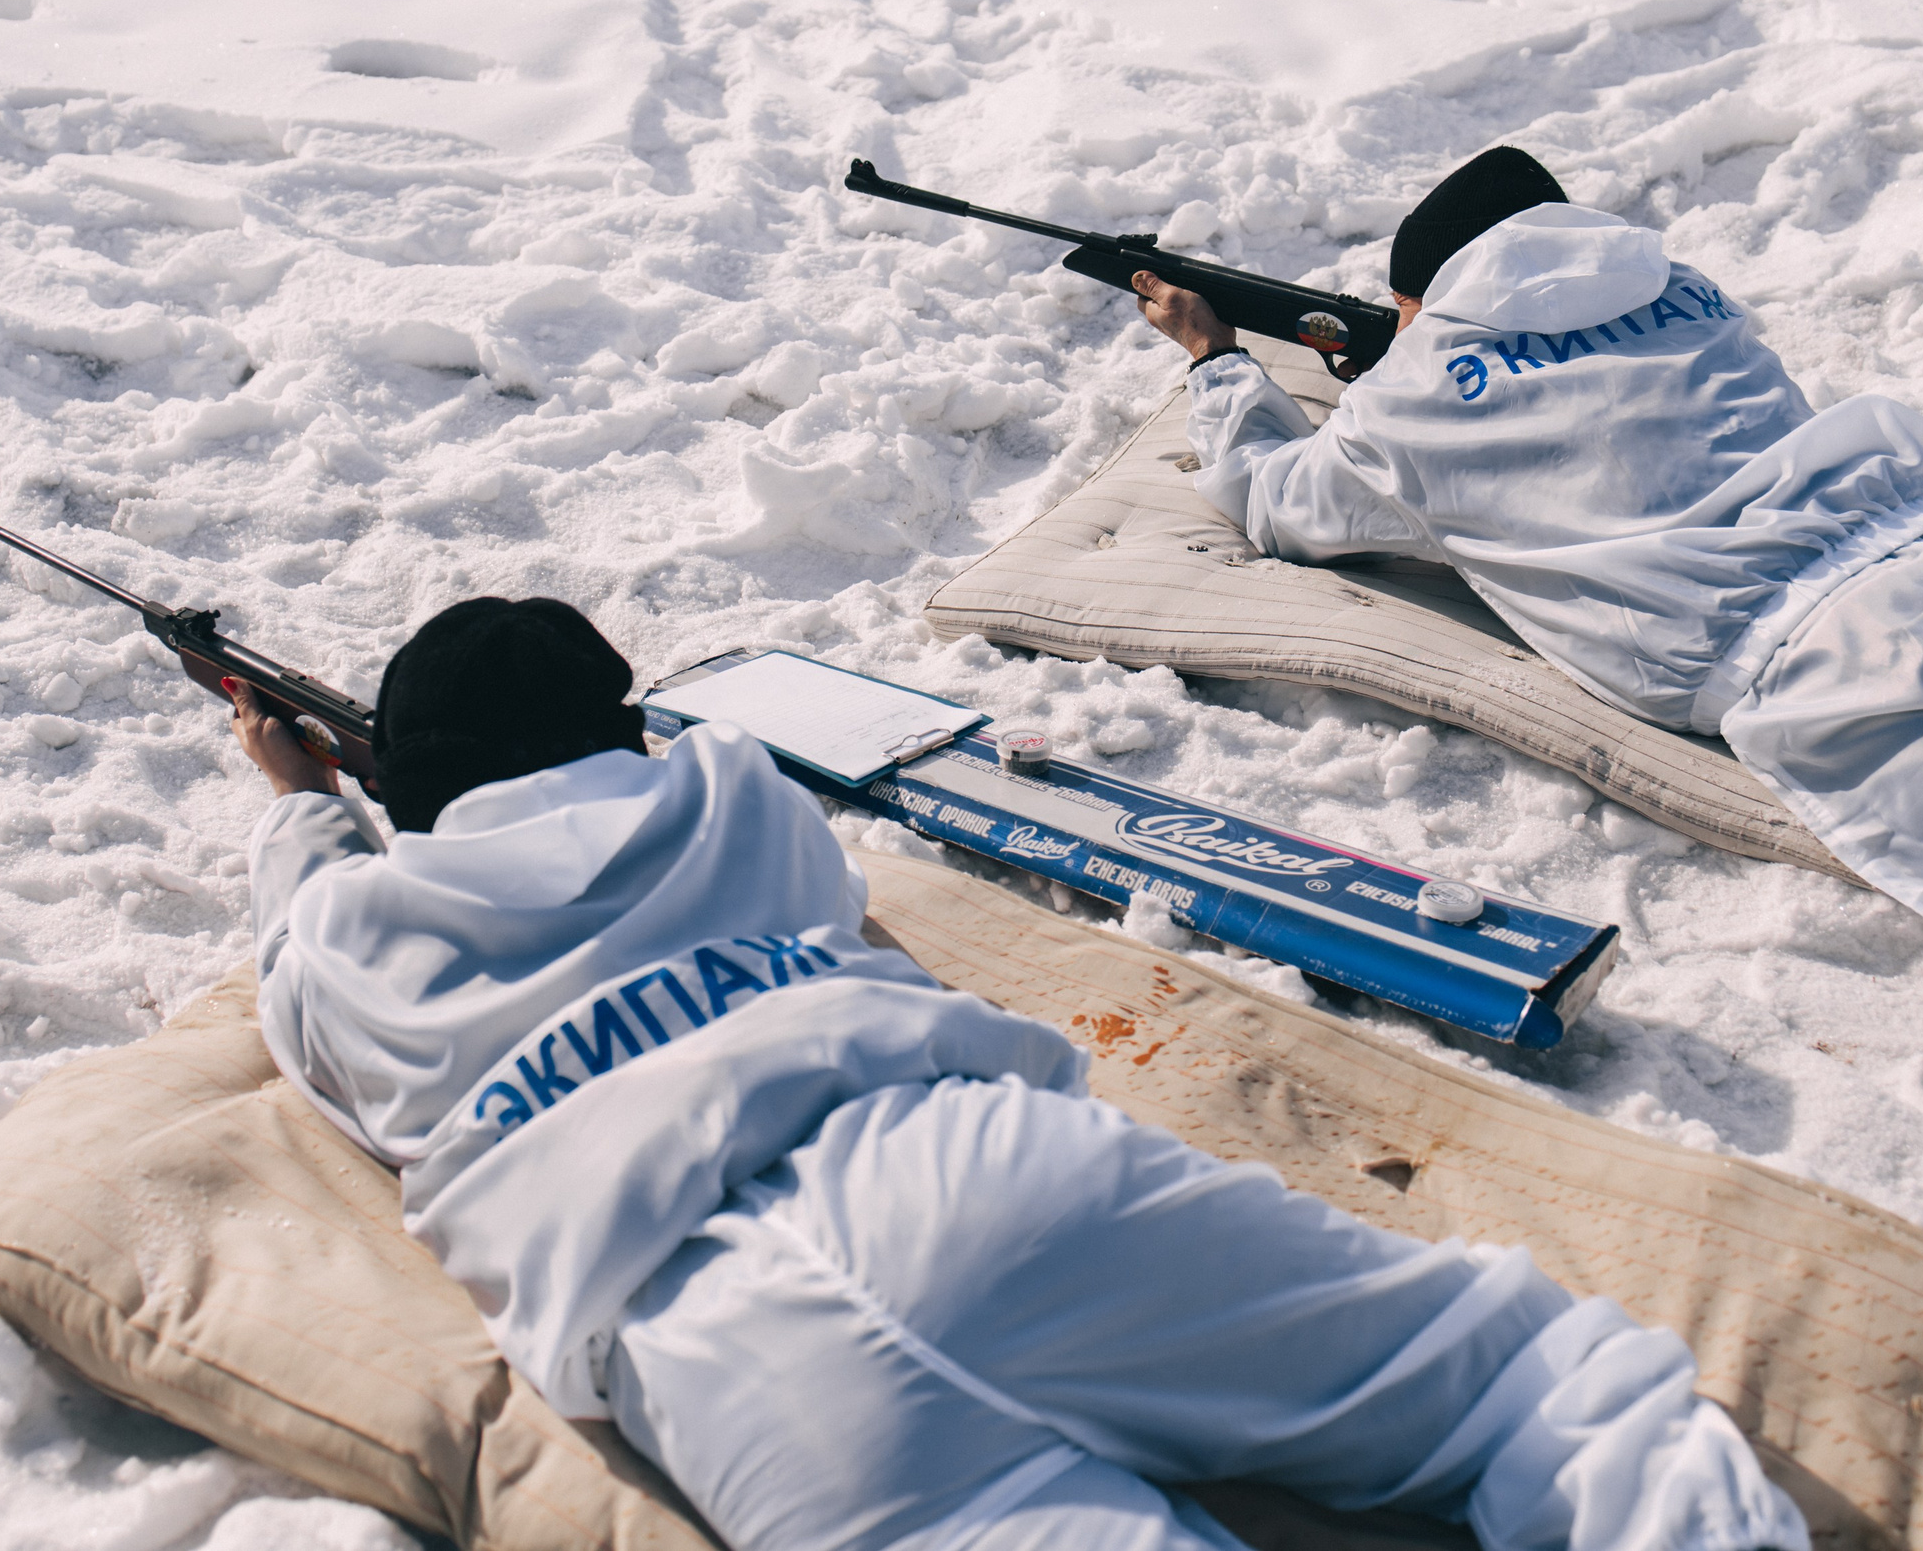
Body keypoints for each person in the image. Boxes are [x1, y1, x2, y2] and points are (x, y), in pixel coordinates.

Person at [228, 598, 1808, 1551]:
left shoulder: (351, 945)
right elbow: (670, 772)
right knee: (1535, 1388)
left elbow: (305, 950)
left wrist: (300, 797)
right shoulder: (731, 800)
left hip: (723, 1356)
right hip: (972, 1169)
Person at [1133, 147, 1923, 1025]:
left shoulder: (1405, 400)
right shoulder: (1684, 287)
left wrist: (1215, 357)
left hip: (1852, 654)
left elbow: (1272, 500)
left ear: (1424, 299)